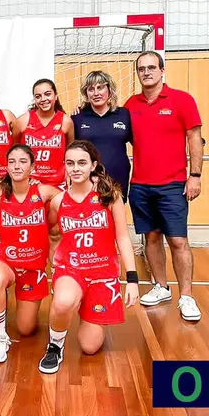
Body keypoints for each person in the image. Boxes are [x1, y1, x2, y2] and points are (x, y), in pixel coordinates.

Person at [40, 141, 139, 374]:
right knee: (63, 301)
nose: (76, 168)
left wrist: (132, 279)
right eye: (70, 163)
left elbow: (123, 239)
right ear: (64, 166)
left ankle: (86, 306)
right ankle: (55, 345)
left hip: (102, 274)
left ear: (93, 165)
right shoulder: (57, 201)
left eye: (82, 163)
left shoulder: (110, 197)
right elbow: (50, 232)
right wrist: (54, 263)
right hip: (71, 269)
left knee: (90, 346)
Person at [123, 51, 203, 322]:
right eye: (141, 69)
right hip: (141, 186)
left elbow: (195, 138)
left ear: (161, 70)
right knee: (152, 238)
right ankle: (161, 286)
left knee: (178, 240)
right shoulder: (130, 105)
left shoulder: (182, 100)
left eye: (151, 68)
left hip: (173, 185)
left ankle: (187, 296)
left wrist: (195, 175)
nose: (146, 72)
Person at [0, 144, 62, 363]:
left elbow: (70, 202)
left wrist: (53, 228)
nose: (17, 166)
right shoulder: (0, 188)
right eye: (12, 162)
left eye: (23, 161)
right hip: (5, 258)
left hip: (33, 266)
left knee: (26, 329)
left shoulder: (44, 192)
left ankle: (9, 302)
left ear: (32, 166)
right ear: (6, 166)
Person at [72, 70, 133, 203]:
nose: (96, 93)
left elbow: (140, 144)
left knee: (116, 221)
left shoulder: (124, 115)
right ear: (86, 94)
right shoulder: (78, 117)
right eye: (91, 89)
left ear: (109, 90)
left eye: (100, 87)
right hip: (88, 182)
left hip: (118, 181)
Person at [15, 78, 74, 189]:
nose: (43, 99)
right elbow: (14, 151)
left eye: (47, 94)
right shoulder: (22, 121)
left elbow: (70, 153)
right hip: (29, 183)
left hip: (57, 184)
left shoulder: (66, 121)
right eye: (38, 96)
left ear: (55, 96)